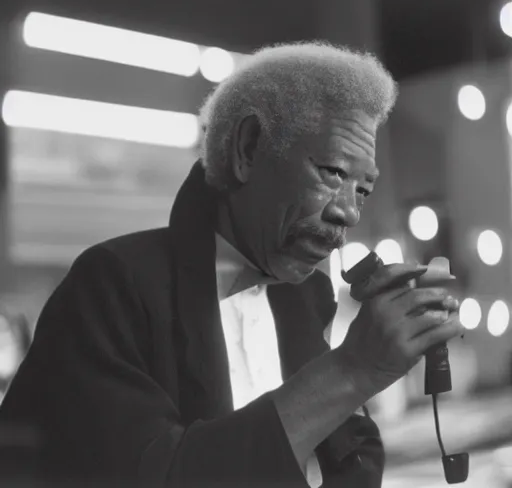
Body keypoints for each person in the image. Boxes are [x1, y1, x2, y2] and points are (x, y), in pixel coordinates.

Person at [0, 42, 463, 488]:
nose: (350, 212)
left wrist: (372, 367)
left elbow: (342, 453)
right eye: (333, 173)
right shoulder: (112, 285)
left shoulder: (306, 296)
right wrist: (353, 369)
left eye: (362, 189)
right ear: (247, 149)